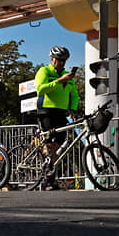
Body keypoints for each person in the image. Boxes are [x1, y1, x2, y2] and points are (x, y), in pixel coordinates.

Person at [35, 45, 79, 189]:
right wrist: (59, 80)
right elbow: (40, 89)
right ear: (52, 59)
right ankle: (48, 179)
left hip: (61, 113)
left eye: (64, 60)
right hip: (46, 111)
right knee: (49, 145)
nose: (62, 63)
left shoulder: (68, 75)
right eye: (59, 60)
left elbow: (74, 95)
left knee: (57, 146)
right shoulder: (44, 71)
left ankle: (50, 174)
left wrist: (72, 109)